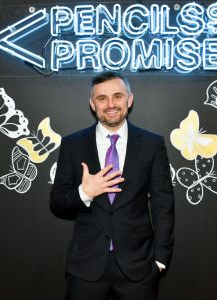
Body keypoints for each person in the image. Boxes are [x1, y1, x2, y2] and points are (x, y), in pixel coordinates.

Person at [50, 71, 175, 300]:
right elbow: (57, 203)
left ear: (129, 99)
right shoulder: (72, 144)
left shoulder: (152, 144)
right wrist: (84, 193)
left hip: (139, 268)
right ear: (92, 103)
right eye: (102, 98)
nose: (110, 104)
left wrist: (160, 259)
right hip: (85, 268)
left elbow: (163, 204)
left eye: (117, 96)